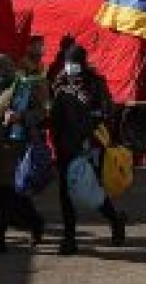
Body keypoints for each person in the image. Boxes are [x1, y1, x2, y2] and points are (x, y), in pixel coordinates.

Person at [47, 46, 128, 254]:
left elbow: (108, 110)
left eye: (74, 62)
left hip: (87, 145)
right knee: (65, 194)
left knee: (91, 189)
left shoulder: (95, 83)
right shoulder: (59, 82)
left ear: (83, 63)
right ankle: (70, 238)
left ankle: (115, 219)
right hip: (62, 144)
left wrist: (90, 109)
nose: (70, 66)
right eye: (67, 62)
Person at [0, 52, 48, 255]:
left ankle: (26, 227)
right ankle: (7, 236)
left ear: (4, 71)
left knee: (10, 197)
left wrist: (20, 116)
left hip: (9, 153)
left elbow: (40, 113)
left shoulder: (18, 90)